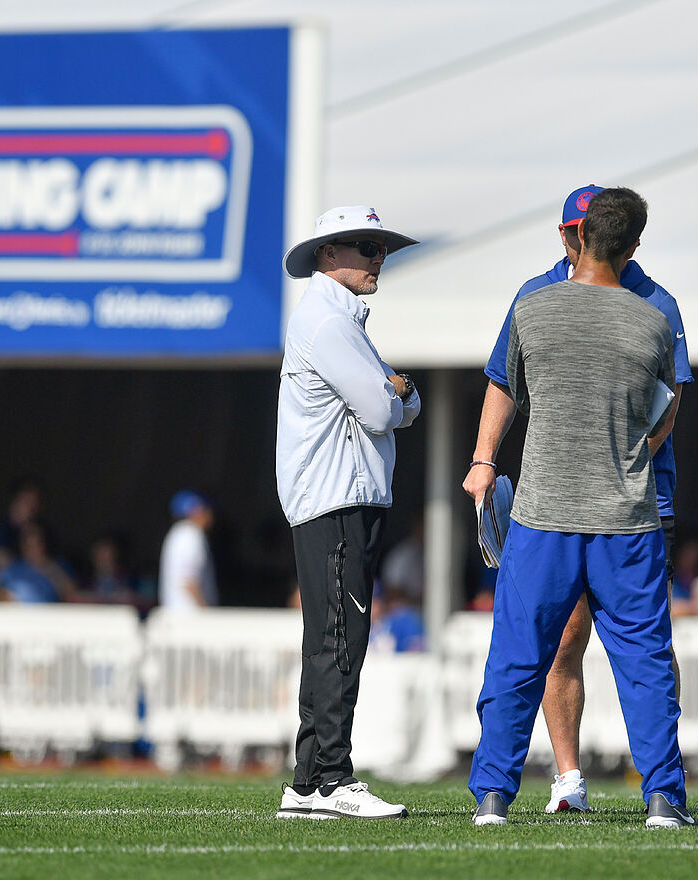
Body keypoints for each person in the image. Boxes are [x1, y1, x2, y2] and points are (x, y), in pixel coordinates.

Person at [462, 183, 691, 814]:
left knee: (517, 659)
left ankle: (492, 797)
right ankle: (663, 800)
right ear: (633, 246)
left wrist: (485, 459)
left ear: (580, 236)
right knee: (645, 665)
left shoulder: (532, 309)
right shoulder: (655, 319)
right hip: (627, 516)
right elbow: (665, 416)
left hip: (544, 514)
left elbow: (507, 385)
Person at [274, 205, 421, 821]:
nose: (378, 258)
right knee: (341, 639)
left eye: (381, 248)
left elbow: (394, 403)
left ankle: (308, 782)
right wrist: (399, 391)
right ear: (328, 254)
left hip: (333, 499)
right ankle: (333, 777)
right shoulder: (331, 322)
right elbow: (387, 410)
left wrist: (396, 395)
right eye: (366, 247)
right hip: (338, 500)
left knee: (328, 639)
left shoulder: (333, 318)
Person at [158, 491, 218, 610]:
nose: (210, 515)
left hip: (176, 611)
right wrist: (206, 612)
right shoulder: (191, 535)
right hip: (190, 614)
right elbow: (188, 581)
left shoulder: (178, 533)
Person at [0, 520, 76, 603]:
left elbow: (71, 594)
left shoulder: (57, 566)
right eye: (27, 543)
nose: (32, 548)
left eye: (37, 542)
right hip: (19, 610)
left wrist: (47, 567)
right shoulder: (13, 569)